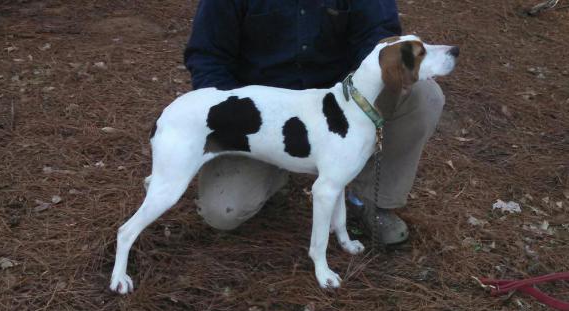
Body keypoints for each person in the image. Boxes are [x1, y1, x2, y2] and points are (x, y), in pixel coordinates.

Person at [183, 0, 445, 244]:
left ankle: (370, 200)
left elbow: (377, 38)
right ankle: (275, 173)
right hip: (259, 120)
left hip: (338, 108)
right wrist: (235, 117)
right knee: (224, 211)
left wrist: (360, 96)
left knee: (424, 96)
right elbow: (207, 56)